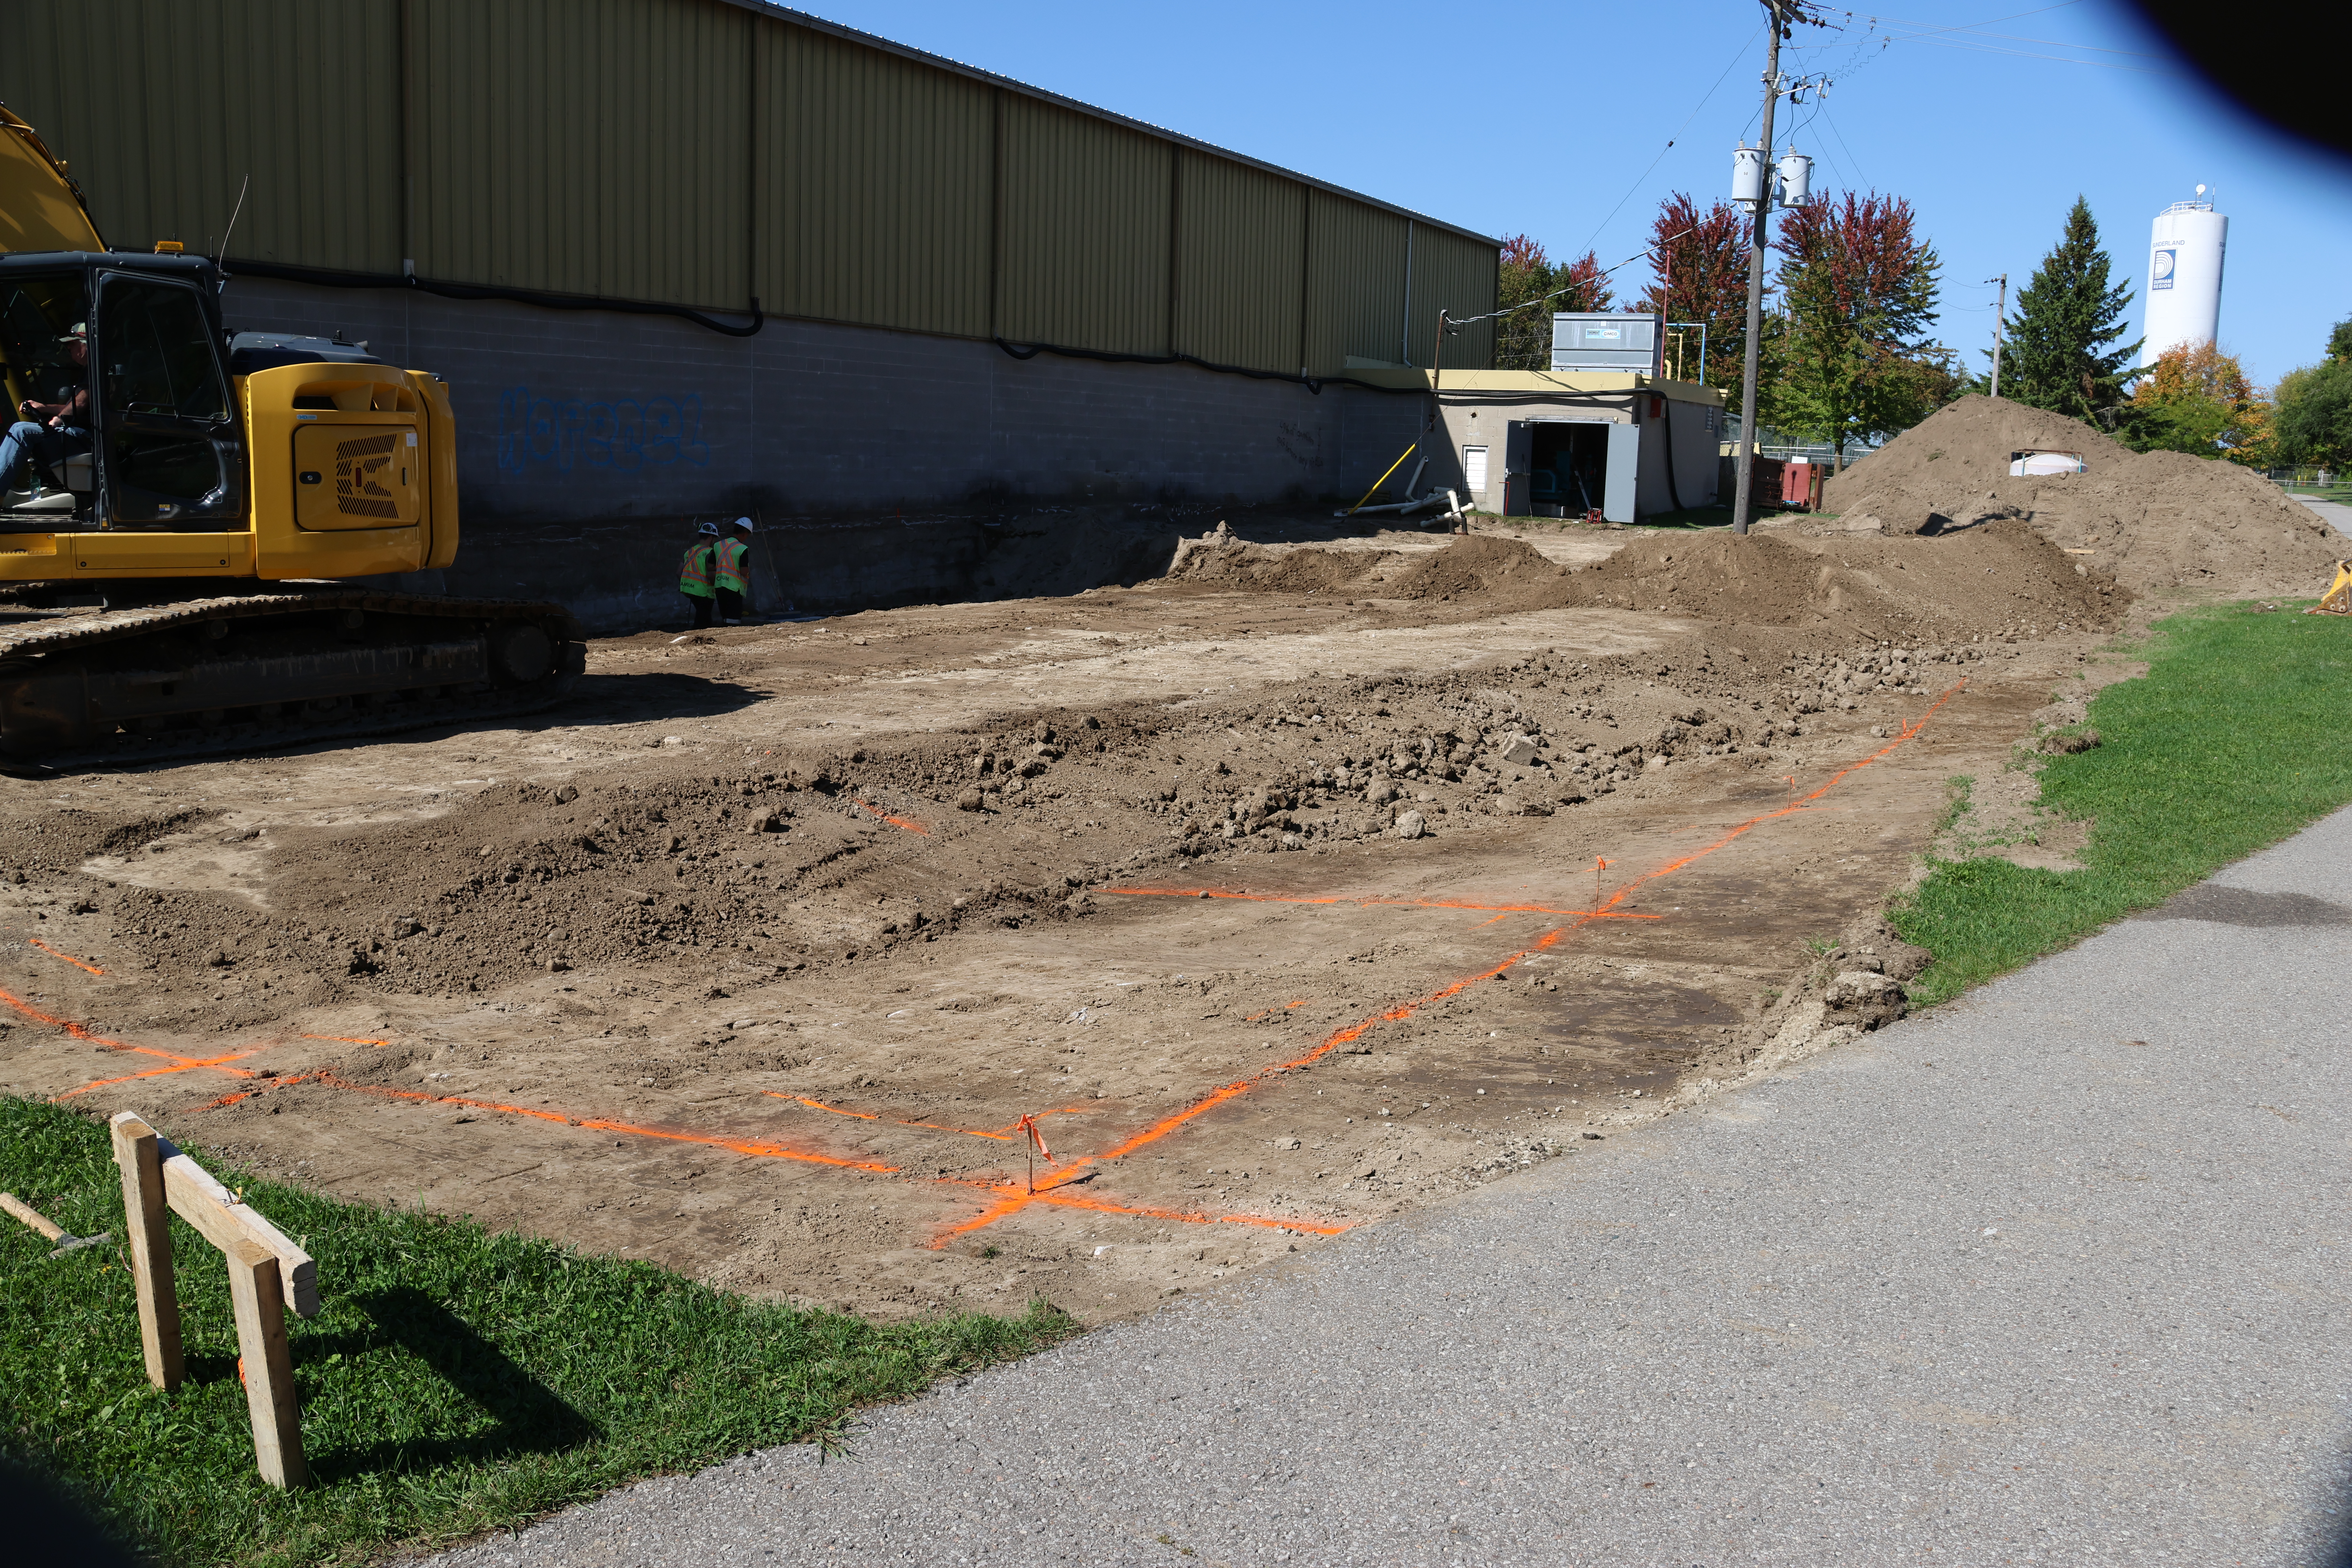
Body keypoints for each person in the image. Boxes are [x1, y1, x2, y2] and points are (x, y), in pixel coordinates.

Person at [0, 322, 92, 500]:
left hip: (85, 436)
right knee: (27, 431)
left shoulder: (98, 372)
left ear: (85, 344)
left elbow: (83, 401)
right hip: (77, 432)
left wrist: (59, 420)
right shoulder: (88, 372)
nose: (69, 348)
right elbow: (74, 406)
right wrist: (43, 407)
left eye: (71, 344)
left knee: (22, 431)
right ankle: (34, 495)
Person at [678, 519, 720, 629]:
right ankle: (695, 640)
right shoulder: (710, 552)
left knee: (704, 617)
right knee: (702, 620)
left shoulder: (689, 552)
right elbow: (711, 575)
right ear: (711, 538)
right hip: (704, 592)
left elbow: (679, 573)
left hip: (690, 590)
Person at [714, 515, 755, 625]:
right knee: (734, 621)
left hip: (719, 586)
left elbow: (710, 567)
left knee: (725, 618)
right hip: (734, 588)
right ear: (744, 534)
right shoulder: (742, 549)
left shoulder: (718, 545)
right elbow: (744, 572)